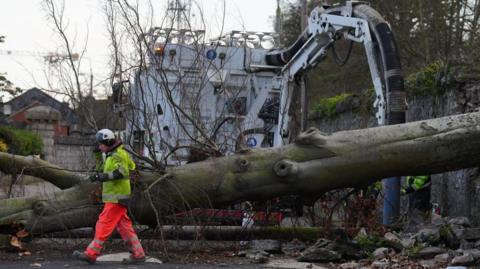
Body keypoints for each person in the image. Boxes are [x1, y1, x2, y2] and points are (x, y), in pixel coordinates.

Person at [73, 129, 145, 265]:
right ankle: (138, 254)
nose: (99, 146)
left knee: (103, 224)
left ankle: (91, 254)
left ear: (107, 142)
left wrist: (102, 177)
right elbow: (102, 169)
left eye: (100, 144)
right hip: (116, 197)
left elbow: (122, 173)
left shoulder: (118, 154)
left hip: (117, 197)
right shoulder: (111, 155)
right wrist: (97, 155)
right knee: (125, 227)